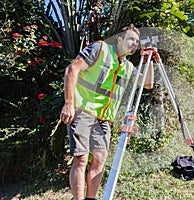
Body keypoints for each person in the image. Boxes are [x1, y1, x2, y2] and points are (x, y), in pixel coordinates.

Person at [60, 24, 153, 200]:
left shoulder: (127, 67)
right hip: (82, 110)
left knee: (100, 160)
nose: (134, 43)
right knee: (81, 159)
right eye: (131, 39)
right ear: (119, 39)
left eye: (137, 41)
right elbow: (72, 69)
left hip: (103, 119)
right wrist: (69, 103)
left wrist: (151, 60)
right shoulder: (100, 49)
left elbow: (147, 84)